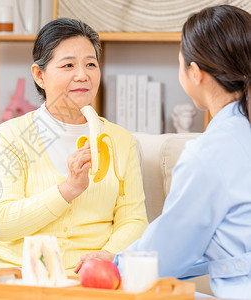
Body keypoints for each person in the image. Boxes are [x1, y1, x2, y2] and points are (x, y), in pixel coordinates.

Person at [76, 5, 251, 299]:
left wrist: (116, 264)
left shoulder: (209, 154)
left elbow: (171, 247)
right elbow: (212, 246)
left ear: (194, 73)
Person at [0, 18, 148, 276]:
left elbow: (134, 219)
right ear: (39, 76)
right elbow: (3, 223)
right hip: (18, 273)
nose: (82, 75)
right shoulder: (13, 136)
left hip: (88, 276)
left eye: (91, 64)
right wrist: (68, 189)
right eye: (68, 65)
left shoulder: (120, 140)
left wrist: (107, 255)